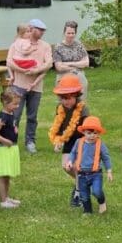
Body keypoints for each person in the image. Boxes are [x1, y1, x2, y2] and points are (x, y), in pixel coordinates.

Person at [5, 18, 52, 155]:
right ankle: (11, 141)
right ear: (32, 29)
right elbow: (9, 61)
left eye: (43, 30)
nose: (42, 32)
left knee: (32, 116)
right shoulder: (18, 44)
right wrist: (22, 70)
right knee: (15, 115)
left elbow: (49, 63)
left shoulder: (45, 46)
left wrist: (36, 71)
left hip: (36, 87)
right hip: (19, 85)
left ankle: (30, 141)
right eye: (40, 30)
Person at [48, 74, 90, 207]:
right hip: (68, 140)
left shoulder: (82, 109)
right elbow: (58, 126)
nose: (66, 101)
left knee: (76, 166)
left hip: (81, 139)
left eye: (69, 98)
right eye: (62, 98)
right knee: (66, 166)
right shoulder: (60, 108)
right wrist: (58, 141)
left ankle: (78, 193)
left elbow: (87, 127)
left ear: (76, 95)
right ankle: (82, 182)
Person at [65, 116, 113, 214]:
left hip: (96, 174)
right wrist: (70, 161)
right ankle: (87, 211)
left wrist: (109, 171)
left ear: (98, 133)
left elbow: (106, 157)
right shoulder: (79, 142)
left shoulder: (100, 144)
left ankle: (101, 201)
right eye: (89, 133)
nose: (92, 136)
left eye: (95, 133)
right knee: (84, 195)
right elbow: (73, 153)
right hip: (81, 174)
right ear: (83, 132)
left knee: (96, 191)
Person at [0, 88, 23, 208]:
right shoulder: (3, 117)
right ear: (5, 103)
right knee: (2, 176)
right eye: (15, 104)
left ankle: (7, 198)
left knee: (7, 175)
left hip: (10, 149)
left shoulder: (10, 113)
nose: (17, 106)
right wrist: (5, 141)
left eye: (18, 103)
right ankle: (3, 201)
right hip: (4, 149)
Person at [52, 20, 90, 97]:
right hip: (64, 78)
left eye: (73, 33)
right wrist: (77, 65)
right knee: (65, 103)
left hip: (79, 77)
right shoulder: (58, 47)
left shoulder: (79, 45)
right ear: (64, 33)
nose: (71, 35)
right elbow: (59, 67)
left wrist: (68, 63)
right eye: (68, 33)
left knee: (80, 103)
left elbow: (86, 63)